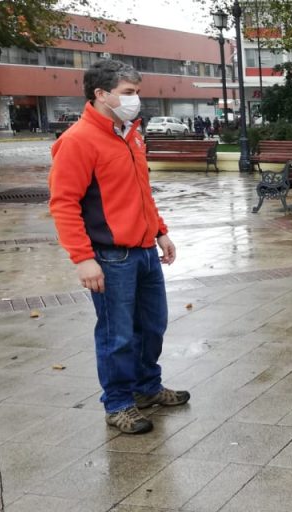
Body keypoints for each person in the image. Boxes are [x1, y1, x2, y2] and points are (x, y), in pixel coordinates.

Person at [48, 60, 190, 435]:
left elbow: (141, 191)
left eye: (136, 91)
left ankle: (146, 389)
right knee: (118, 335)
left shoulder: (131, 134)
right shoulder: (78, 140)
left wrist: (160, 231)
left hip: (144, 251)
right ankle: (118, 403)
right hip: (111, 257)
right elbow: (64, 203)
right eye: (128, 93)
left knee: (153, 326)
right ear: (101, 94)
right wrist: (83, 259)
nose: (135, 99)